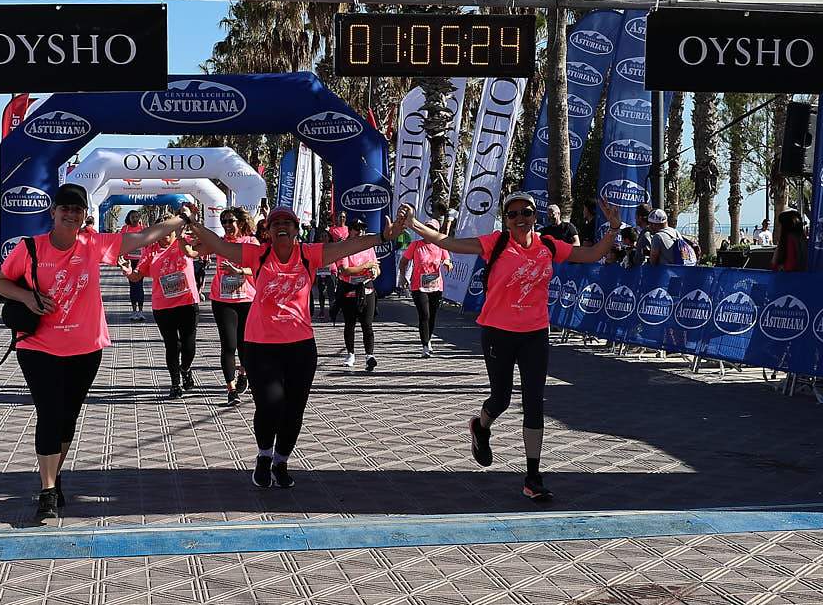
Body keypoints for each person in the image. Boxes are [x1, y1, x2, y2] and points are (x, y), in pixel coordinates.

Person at [397, 192, 621, 503]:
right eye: (513, 214)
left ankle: (533, 476)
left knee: (534, 402)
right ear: (506, 219)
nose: (520, 218)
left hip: (535, 334)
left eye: (526, 212)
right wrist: (414, 224)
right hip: (498, 333)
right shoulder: (497, 243)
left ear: (534, 216)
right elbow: (448, 243)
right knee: (501, 398)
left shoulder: (549, 246)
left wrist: (613, 228)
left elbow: (593, 253)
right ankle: (480, 426)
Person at [0, 184, 187, 525]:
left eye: (77, 209)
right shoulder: (29, 248)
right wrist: (26, 298)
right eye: (64, 207)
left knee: (68, 417)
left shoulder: (93, 244)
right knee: (49, 413)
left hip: (86, 348)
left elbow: (141, 238)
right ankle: (47, 490)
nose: (70, 213)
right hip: (38, 347)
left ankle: (55, 474)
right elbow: (1, 283)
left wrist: (179, 220)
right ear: (52, 212)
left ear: (84, 216)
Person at [182, 204, 398, 489]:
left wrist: (383, 236)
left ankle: (281, 460)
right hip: (261, 345)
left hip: (300, 346)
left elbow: (348, 246)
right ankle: (264, 456)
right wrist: (192, 224)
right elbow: (219, 244)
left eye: (288, 222)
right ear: (268, 232)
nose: (281, 226)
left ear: (297, 229)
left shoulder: (309, 255)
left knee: (294, 410)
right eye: (275, 223)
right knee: (270, 406)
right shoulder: (257, 254)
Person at [141, 225, 203, 396]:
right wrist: (127, 270)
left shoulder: (184, 242)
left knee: (189, 346)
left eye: (170, 230)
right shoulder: (150, 249)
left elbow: (205, 240)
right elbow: (137, 274)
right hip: (163, 306)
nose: (166, 234)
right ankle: (175, 384)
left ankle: (185, 368)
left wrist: (192, 222)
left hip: (187, 303)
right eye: (162, 231)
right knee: (172, 346)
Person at [209, 207, 254, 404]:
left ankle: (244, 373)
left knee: (245, 345)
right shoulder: (220, 243)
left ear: (241, 223)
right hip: (222, 300)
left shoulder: (251, 242)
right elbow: (193, 251)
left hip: (247, 300)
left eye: (230, 221)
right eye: (224, 221)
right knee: (228, 345)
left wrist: (239, 270)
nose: (227, 225)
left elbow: (258, 268)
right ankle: (231, 390)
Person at [332, 218, 381, 371]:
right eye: (356, 228)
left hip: (367, 288)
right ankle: (350, 354)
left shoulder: (369, 247)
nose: (360, 232)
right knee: (350, 324)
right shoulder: (344, 247)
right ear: (350, 230)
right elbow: (345, 270)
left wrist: (374, 272)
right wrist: (366, 266)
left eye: (362, 229)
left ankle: (369, 356)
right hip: (349, 289)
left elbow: (377, 268)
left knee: (367, 324)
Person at [401, 222, 451, 356]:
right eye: (428, 228)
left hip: (436, 286)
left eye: (433, 229)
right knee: (425, 315)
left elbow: (447, 260)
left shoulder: (441, 245)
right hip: (419, 286)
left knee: (432, 316)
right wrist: (402, 276)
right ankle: (425, 346)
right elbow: (403, 261)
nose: (430, 230)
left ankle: (428, 340)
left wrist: (447, 264)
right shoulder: (416, 245)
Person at [772, 209, 808, 273]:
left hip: (789, 279)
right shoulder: (802, 239)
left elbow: (789, 266)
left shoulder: (789, 239)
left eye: (779, 225)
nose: (778, 227)